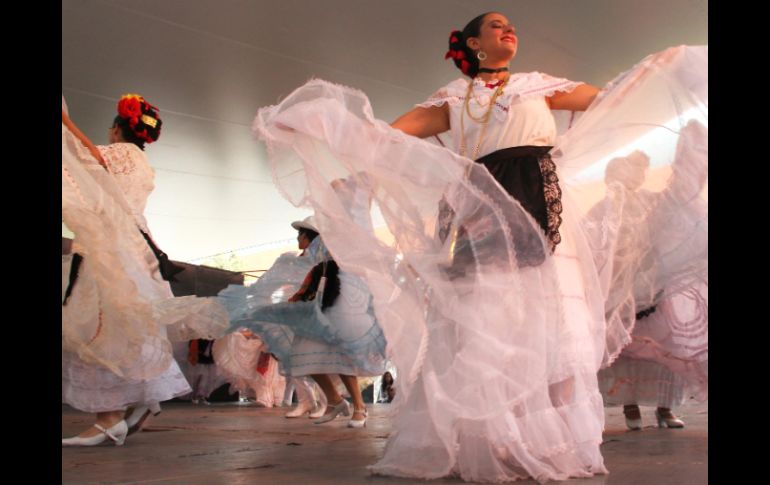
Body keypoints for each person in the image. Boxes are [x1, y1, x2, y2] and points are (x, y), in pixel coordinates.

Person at [251, 12, 706, 482]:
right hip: (480, 209)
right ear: (474, 43)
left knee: (549, 321)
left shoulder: (536, 85)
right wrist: (320, 123)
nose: (509, 29)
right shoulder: (452, 99)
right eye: (495, 25)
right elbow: (386, 136)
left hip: (539, 202)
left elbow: (611, 100)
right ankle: (491, 437)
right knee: (484, 317)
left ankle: (545, 440)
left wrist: (656, 68)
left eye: (511, 25)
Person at [62, 94, 226, 446]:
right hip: (136, 246)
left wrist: (66, 122)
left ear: (119, 129)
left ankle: (107, 418)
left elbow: (83, 158)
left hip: (114, 244)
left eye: (111, 127)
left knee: (100, 324)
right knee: (132, 323)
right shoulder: (143, 165)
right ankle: (144, 399)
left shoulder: (121, 154)